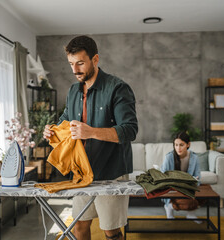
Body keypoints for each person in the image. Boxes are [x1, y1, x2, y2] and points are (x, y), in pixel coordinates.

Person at [43, 35, 138, 240]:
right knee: (79, 227)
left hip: (111, 172)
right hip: (81, 173)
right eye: (71, 64)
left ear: (95, 60)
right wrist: (53, 130)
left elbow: (130, 130)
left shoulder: (118, 88)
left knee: (110, 231)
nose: (75, 70)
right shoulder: (72, 91)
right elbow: (66, 120)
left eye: (80, 63)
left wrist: (91, 132)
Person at [160, 131, 201, 222]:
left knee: (203, 195)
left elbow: (198, 177)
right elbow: (163, 176)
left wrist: (193, 182)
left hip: (188, 188)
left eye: (181, 145)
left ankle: (191, 214)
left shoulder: (194, 158)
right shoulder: (169, 157)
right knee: (188, 202)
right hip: (173, 188)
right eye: (176, 145)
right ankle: (169, 207)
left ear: (188, 144)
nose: (178, 148)